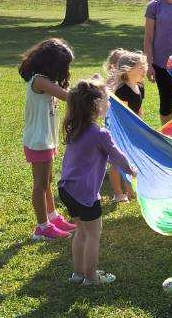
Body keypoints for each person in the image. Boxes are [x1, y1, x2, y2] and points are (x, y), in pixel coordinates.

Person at [58, 77, 137, 286]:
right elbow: (116, 156)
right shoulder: (100, 133)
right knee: (93, 233)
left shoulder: (75, 127)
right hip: (83, 192)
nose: (109, 103)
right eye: (106, 99)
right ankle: (92, 277)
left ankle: (78, 273)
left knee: (81, 231)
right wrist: (130, 169)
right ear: (96, 105)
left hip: (67, 189)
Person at [18, 38, 77, 240]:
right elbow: (68, 97)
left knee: (47, 181)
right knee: (40, 184)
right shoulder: (40, 81)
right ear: (53, 64)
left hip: (46, 139)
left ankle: (52, 217)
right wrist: (92, 89)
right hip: (39, 141)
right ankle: (42, 227)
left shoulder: (45, 80)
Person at [104, 48, 148, 202]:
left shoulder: (139, 86)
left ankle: (129, 189)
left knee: (129, 158)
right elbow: (120, 115)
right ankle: (118, 193)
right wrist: (129, 131)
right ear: (128, 70)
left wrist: (141, 126)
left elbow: (139, 108)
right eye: (140, 67)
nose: (145, 69)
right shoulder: (122, 90)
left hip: (132, 128)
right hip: (120, 130)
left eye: (144, 66)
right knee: (117, 160)